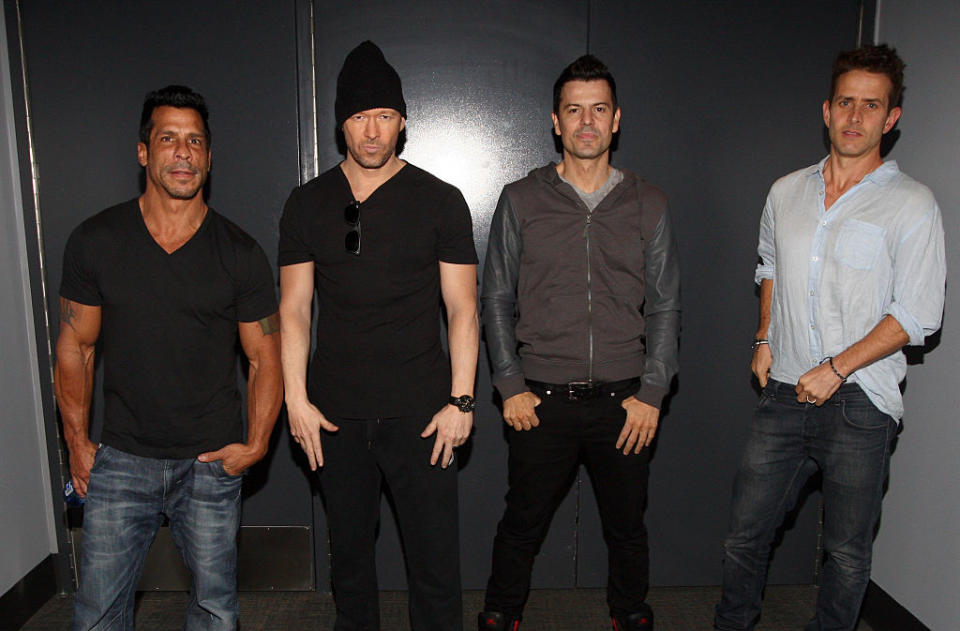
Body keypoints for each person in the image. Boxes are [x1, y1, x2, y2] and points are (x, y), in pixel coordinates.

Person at [715, 44, 945, 631]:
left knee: (845, 555)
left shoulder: (912, 204)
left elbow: (918, 314)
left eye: (872, 105)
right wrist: (763, 336)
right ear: (826, 109)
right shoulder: (785, 191)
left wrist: (837, 367)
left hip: (862, 403)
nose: (855, 116)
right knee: (745, 538)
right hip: (783, 393)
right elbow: (768, 265)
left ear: (890, 119)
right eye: (846, 101)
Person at [56, 85, 283, 631]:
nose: (183, 153)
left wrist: (256, 444)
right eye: (168, 139)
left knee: (215, 612)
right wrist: (78, 444)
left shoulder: (240, 252)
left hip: (209, 465)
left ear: (208, 156)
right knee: (96, 615)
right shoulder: (96, 240)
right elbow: (76, 346)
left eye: (195, 141)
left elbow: (265, 356)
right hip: (121, 460)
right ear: (143, 152)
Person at [278, 40, 479, 631]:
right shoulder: (307, 203)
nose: (372, 132)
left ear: (403, 121)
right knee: (351, 569)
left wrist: (461, 400)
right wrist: (297, 400)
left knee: (436, 568)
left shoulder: (441, 201)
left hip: (422, 415)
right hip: (334, 417)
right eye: (360, 117)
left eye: (385, 117)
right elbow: (293, 308)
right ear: (341, 121)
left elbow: (463, 308)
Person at [478, 54, 681, 631]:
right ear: (556, 120)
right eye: (574, 110)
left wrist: (654, 388)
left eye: (598, 110)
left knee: (627, 525)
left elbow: (667, 304)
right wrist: (509, 384)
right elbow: (495, 298)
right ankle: (501, 611)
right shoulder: (520, 200)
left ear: (616, 120)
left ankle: (629, 611)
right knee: (521, 521)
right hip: (539, 402)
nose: (586, 122)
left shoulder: (650, 203)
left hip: (627, 403)